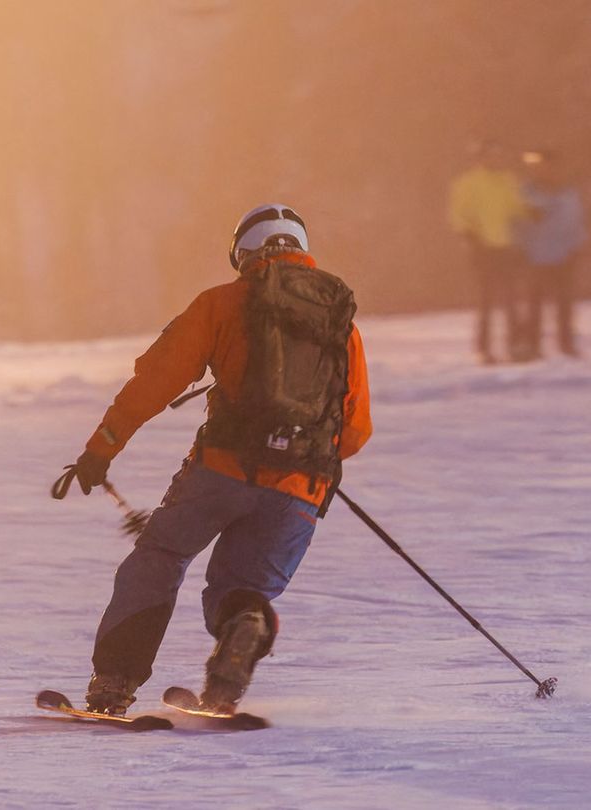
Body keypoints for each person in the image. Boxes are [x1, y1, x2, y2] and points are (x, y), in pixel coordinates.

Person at [59, 203, 372, 716]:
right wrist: (298, 448)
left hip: (221, 471)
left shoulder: (221, 303)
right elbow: (355, 430)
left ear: (242, 252)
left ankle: (115, 682)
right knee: (241, 589)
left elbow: (154, 382)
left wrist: (101, 450)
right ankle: (241, 635)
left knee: (159, 557)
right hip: (300, 488)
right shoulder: (341, 324)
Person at [448, 139, 534, 364]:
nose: (497, 159)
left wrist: (530, 214)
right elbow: (459, 214)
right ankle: (483, 349)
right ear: (481, 158)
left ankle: (516, 345)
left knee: (512, 299)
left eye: (499, 155)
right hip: (482, 249)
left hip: (506, 247)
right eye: (492, 155)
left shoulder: (507, 181)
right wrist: (469, 236)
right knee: (485, 300)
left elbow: (516, 208)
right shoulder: (467, 183)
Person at [518, 150, 587, 358]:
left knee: (564, 303)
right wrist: (520, 247)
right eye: (540, 166)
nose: (545, 170)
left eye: (549, 166)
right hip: (535, 254)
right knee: (534, 303)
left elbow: (576, 221)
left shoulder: (568, 193)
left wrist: (577, 246)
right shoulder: (527, 192)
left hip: (563, 254)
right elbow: (517, 222)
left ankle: (566, 344)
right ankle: (532, 345)